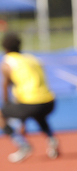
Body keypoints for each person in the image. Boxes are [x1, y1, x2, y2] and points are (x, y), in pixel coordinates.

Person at [1, 32, 59, 163]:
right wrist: (22, 120)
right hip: (49, 101)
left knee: (1, 114)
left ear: (5, 49)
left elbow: (8, 87)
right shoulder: (32, 58)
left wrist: (6, 106)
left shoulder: (8, 62)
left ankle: (23, 145)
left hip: (31, 103)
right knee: (39, 114)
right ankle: (52, 139)